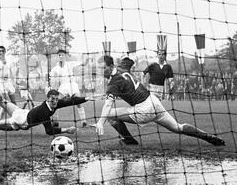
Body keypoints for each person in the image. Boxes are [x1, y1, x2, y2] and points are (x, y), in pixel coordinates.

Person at [95, 56, 225, 147]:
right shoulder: (122, 67)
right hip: (154, 102)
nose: (101, 71)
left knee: (109, 115)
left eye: (103, 68)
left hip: (143, 110)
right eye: (99, 68)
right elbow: (129, 61)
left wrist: (100, 122)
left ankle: (129, 141)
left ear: (111, 66)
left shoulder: (113, 82)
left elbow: (108, 104)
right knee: (177, 127)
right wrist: (126, 60)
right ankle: (208, 136)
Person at [0, 74, 96, 136]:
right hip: (20, 121)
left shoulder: (53, 104)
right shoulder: (45, 112)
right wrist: (67, 130)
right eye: (52, 99)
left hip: (21, 113)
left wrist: (88, 97)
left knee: (2, 102)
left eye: (56, 99)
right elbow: (49, 132)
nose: (55, 101)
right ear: (47, 99)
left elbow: (71, 101)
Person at [49, 49, 88, 128]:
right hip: (63, 87)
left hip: (73, 85)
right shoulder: (55, 68)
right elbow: (51, 77)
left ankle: (84, 122)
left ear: (65, 56)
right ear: (58, 56)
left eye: (62, 55)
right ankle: (55, 122)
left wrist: (87, 59)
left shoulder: (70, 64)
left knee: (78, 103)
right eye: (59, 55)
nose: (61, 56)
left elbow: (83, 63)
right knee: (56, 102)